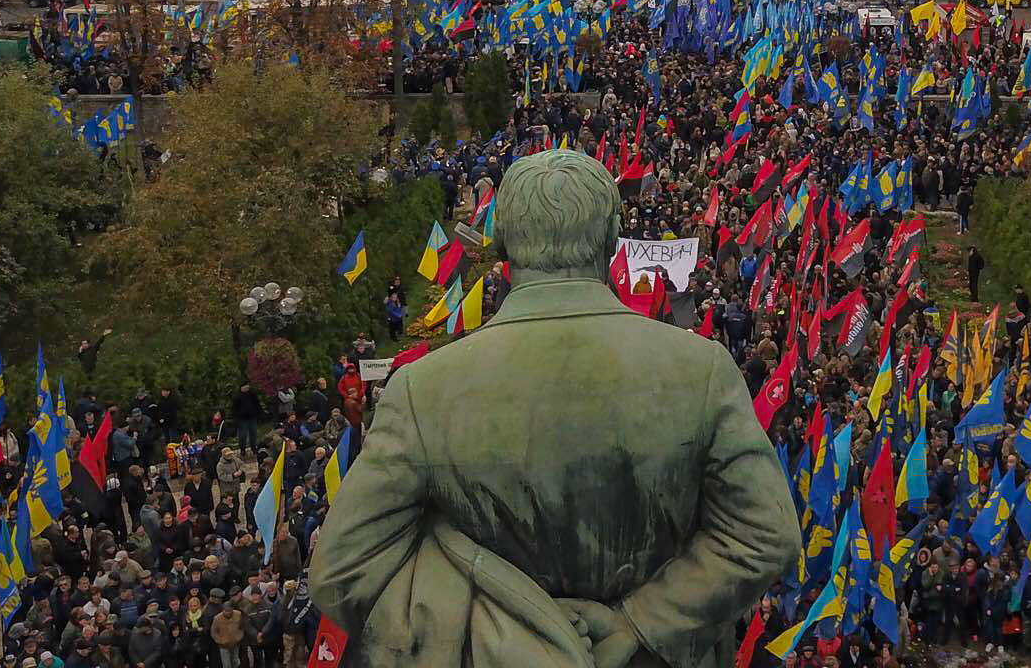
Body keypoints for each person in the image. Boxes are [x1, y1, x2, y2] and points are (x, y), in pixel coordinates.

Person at [308, 151, 800, 668]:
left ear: (500, 243)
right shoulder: (704, 369)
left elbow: (341, 572)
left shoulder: (420, 391)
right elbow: (765, 535)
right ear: (612, 239)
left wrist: (495, 634)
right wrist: (642, 621)